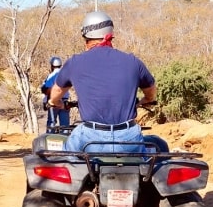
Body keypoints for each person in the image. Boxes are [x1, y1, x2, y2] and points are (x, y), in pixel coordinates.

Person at [48, 11, 156, 154]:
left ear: (86, 38)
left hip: (90, 138)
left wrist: (56, 103)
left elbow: (56, 93)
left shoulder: (75, 62)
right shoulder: (133, 62)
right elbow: (151, 92)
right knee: (151, 158)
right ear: (110, 35)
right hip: (129, 138)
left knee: (66, 160)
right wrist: (145, 100)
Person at [40, 56, 71, 131]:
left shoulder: (51, 76)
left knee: (51, 124)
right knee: (65, 126)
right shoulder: (65, 75)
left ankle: (50, 140)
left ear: (52, 66)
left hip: (54, 102)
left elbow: (47, 90)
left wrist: (45, 102)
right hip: (65, 103)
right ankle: (65, 140)